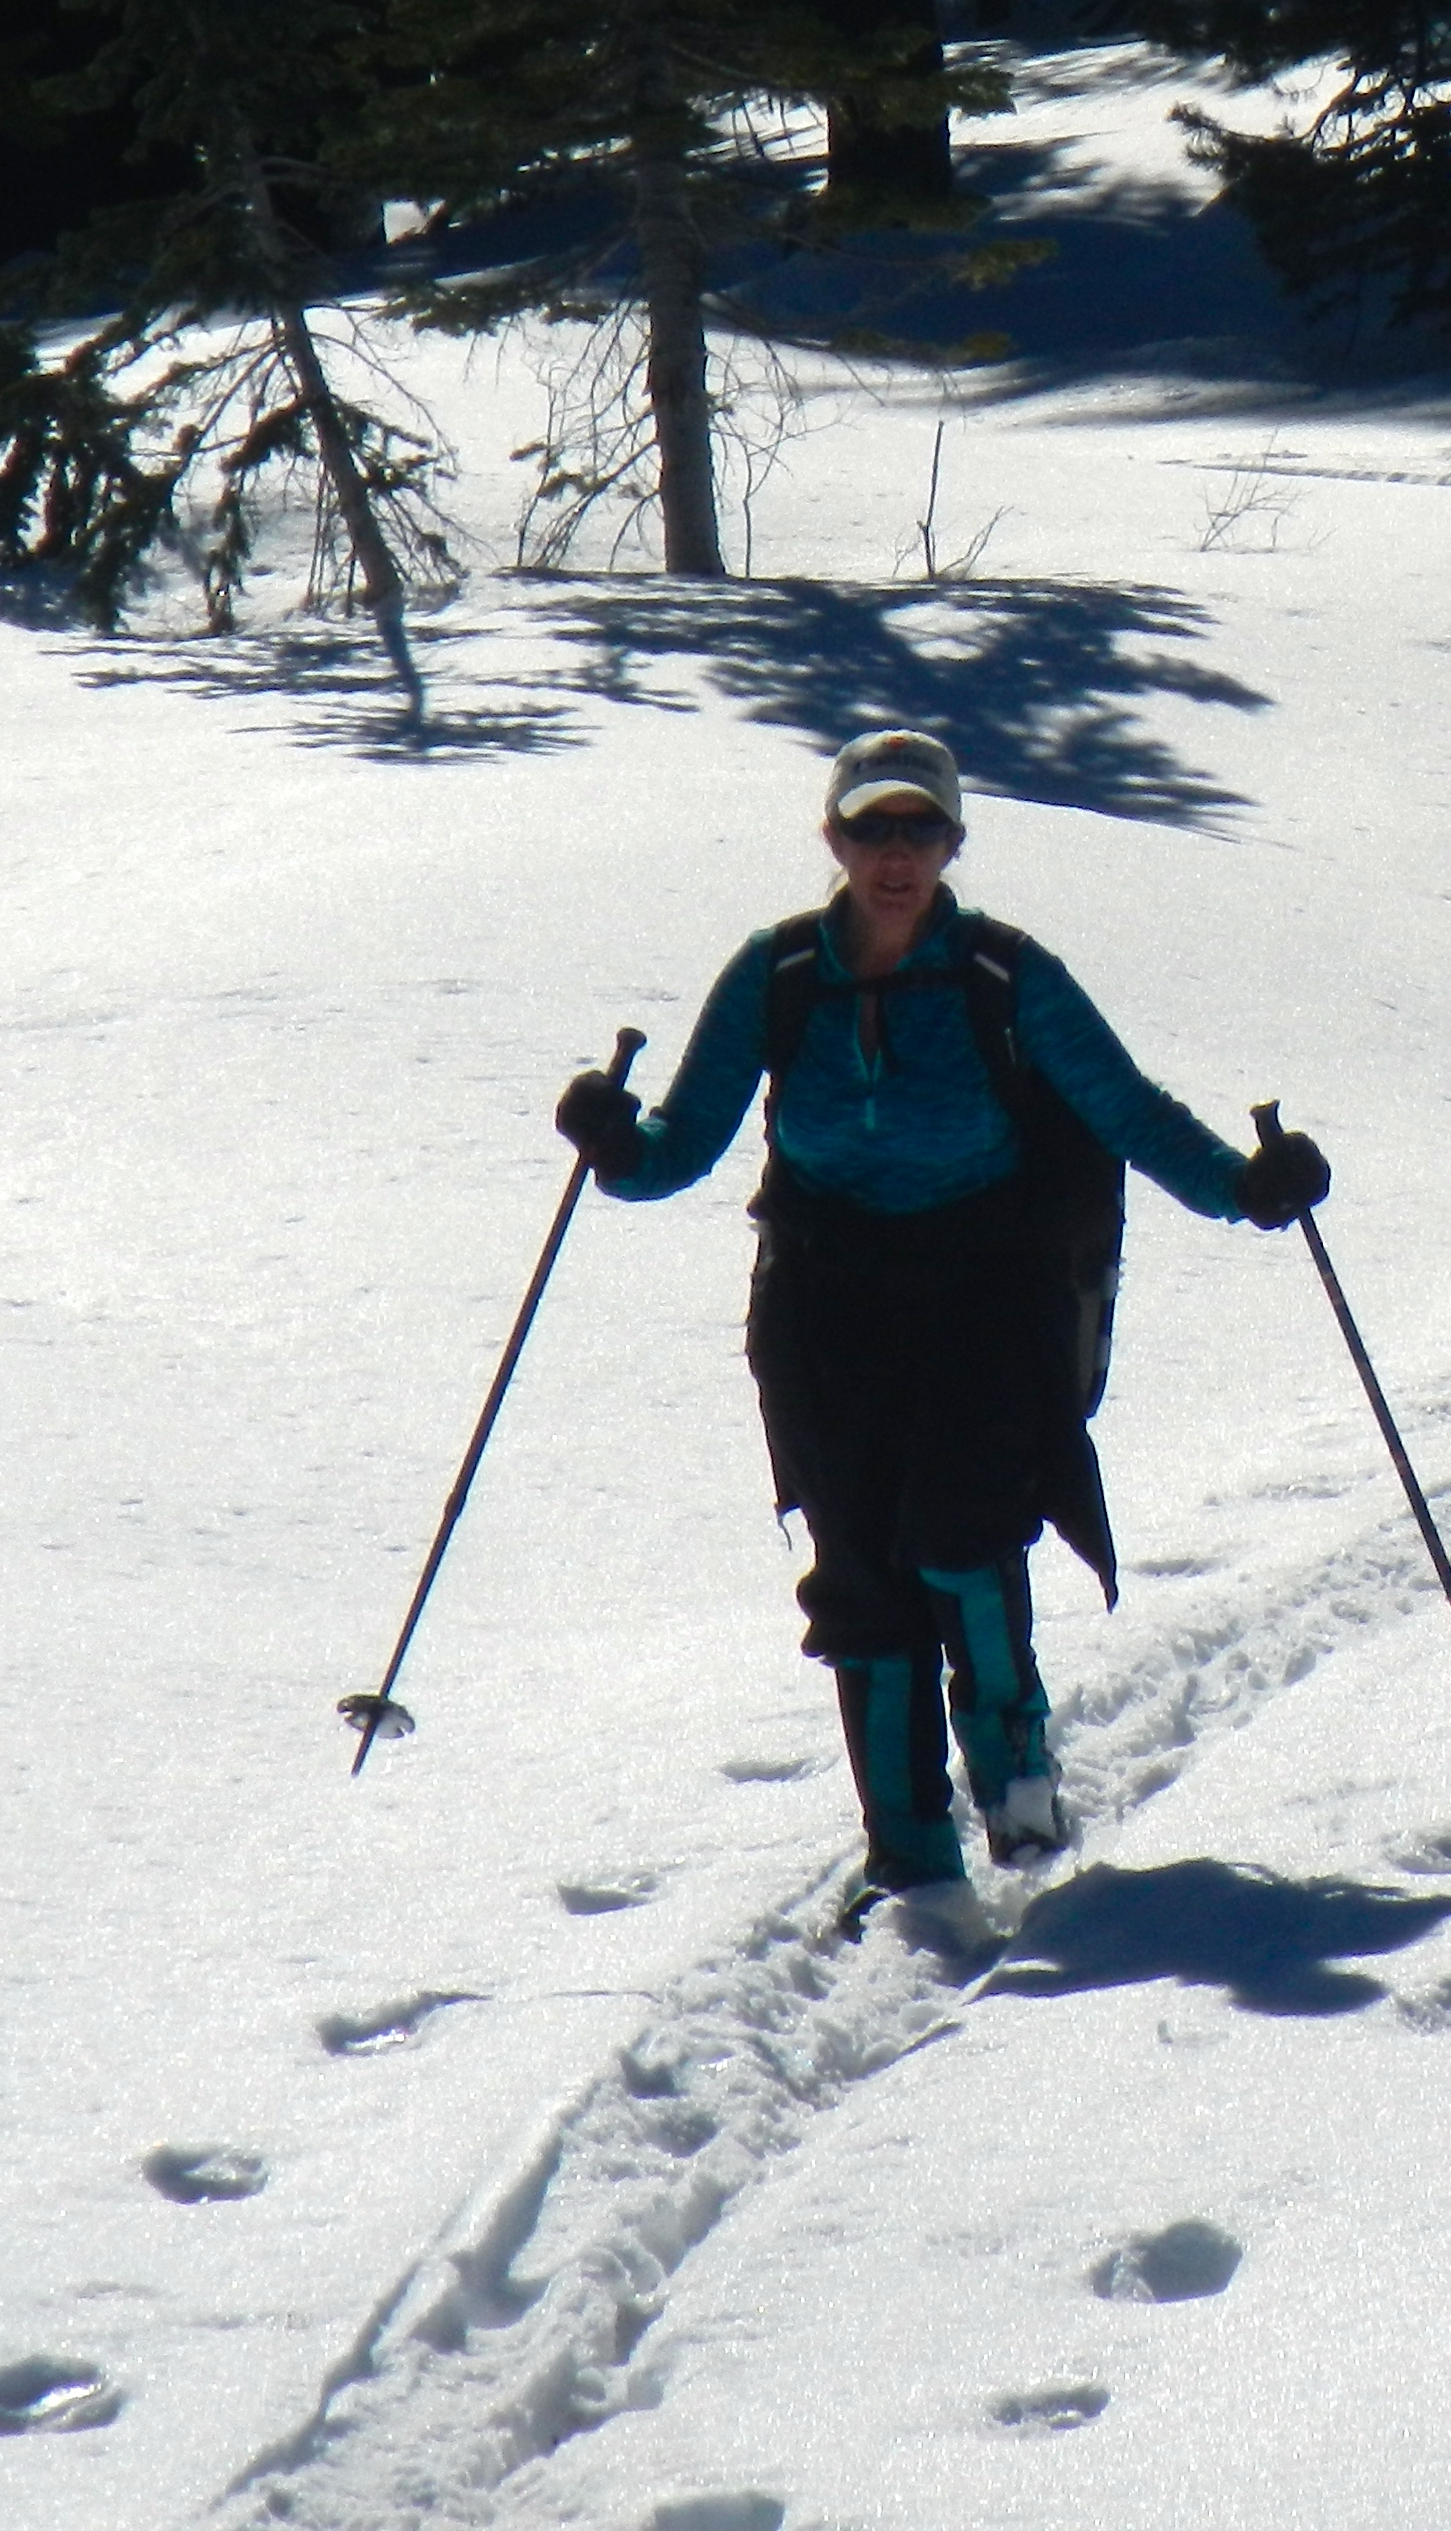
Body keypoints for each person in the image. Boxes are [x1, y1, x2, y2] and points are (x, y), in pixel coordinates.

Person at [553, 727, 1330, 1915]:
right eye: (873, 827)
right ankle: (911, 1855)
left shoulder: (1005, 975)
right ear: (835, 840)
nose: (896, 852)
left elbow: (1123, 1108)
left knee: (964, 1545)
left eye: (919, 828)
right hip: (821, 1309)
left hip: (980, 1298)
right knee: (862, 1578)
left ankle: (1015, 1777)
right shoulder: (779, 976)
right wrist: (616, 1145)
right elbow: (680, 1146)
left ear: (955, 841)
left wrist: (1245, 1186)